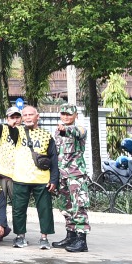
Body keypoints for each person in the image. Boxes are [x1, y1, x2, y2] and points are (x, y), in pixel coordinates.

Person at [7, 105, 59, 250]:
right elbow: (8, 133)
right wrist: (10, 126)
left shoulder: (46, 135)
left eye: (31, 114)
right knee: (18, 209)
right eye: (25, 115)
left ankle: (44, 238)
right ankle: (20, 236)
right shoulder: (17, 131)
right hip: (20, 177)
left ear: (38, 116)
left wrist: (54, 180)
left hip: (41, 179)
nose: (28, 117)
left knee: (45, 209)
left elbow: (54, 159)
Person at [52, 104, 91, 252]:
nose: (66, 117)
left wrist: (65, 129)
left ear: (76, 116)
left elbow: (77, 132)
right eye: (63, 114)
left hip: (76, 175)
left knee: (78, 207)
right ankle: (71, 236)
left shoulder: (80, 129)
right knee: (65, 207)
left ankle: (82, 241)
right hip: (62, 175)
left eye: (69, 114)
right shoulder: (57, 132)